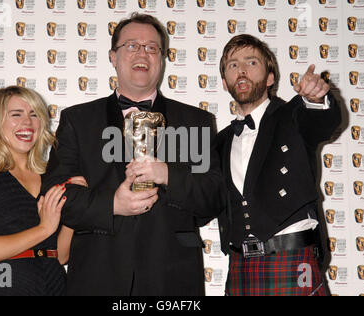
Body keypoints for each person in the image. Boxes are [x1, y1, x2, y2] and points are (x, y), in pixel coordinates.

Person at [42, 13, 224, 296]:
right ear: (113, 57)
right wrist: (111, 204)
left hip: (173, 280)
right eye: (132, 46)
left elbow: (214, 197)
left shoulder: (195, 121)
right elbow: (56, 197)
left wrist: (167, 175)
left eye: (152, 47)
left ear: (161, 59)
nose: (143, 53)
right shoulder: (78, 120)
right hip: (97, 276)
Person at [215, 34, 341, 296]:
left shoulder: (293, 115)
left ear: (270, 78)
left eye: (251, 62)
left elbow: (322, 121)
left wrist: (316, 98)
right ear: (225, 83)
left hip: (294, 261)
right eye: (232, 65)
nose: (241, 70)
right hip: (240, 267)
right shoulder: (221, 142)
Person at [0, 86, 87, 296]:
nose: (28, 122)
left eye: (34, 115)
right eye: (17, 114)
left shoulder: (52, 179)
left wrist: (74, 203)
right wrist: (44, 228)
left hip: (54, 287)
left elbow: (59, 256)